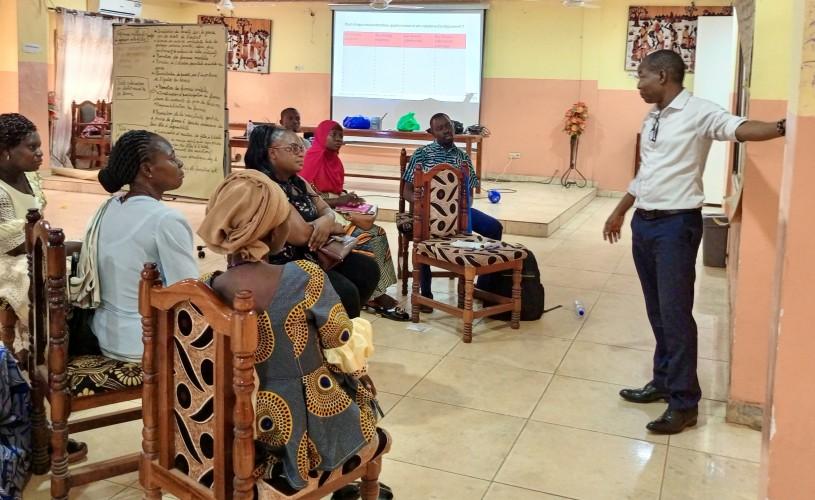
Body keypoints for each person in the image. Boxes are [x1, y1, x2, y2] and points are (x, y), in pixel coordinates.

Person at [603, 50, 786, 434]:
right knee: (656, 310)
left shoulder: (699, 111)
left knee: (675, 314)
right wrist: (620, 210)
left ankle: (684, 403)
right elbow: (646, 171)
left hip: (676, 226)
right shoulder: (652, 117)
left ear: (664, 75)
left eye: (642, 76)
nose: (638, 84)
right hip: (646, 223)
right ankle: (664, 380)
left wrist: (785, 126)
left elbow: (739, 128)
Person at [197, 169, 383, 493]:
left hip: (235, 422)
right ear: (273, 230)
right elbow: (337, 338)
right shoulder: (303, 277)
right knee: (358, 393)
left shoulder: (210, 288)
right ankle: (339, 478)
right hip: (300, 425)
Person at [245, 124, 380, 319]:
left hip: (314, 253)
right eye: (293, 148)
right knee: (345, 293)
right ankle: (328, 340)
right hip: (283, 264)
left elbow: (325, 209)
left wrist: (325, 222)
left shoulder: (297, 181)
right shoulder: (266, 187)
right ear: (272, 154)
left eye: (302, 147)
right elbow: (301, 235)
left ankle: (337, 331)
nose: (302, 153)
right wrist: (329, 225)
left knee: (367, 269)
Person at [91, 130, 199, 363]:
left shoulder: (110, 206)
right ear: (147, 169)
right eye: (171, 157)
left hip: (104, 332)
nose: (179, 163)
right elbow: (190, 294)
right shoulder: (165, 219)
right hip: (144, 341)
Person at [301, 120, 408, 321]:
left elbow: (335, 190)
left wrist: (348, 198)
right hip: (322, 216)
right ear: (322, 136)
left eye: (341, 135)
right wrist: (341, 200)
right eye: (334, 135)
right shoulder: (311, 160)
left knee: (379, 232)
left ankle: (377, 289)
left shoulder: (334, 161)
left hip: (337, 209)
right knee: (364, 235)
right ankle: (373, 296)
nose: (339, 140)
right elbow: (310, 200)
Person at [402, 113, 503, 310]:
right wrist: (419, 203)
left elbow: (471, 194)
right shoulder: (422, 154)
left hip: (458, 214)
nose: (446, 130)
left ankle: (485, 286)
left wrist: (459, 212)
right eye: (440, 128)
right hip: (428, 214)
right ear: (432, 133)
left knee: (494, 228)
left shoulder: (463, 157)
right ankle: (426, 294)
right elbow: (406, 190)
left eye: (448, 126)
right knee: (422, 238)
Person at [0, 113, 47, 355]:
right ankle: (42, 349)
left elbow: (38, 224)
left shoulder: (31, 177)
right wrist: (63, 247)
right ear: (6, 151)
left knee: (80, 266)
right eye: (32, 147)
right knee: (40, 277)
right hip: (5, 258)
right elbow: (14, 244)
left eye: (39, 146)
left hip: (31, 247)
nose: (40, 153)